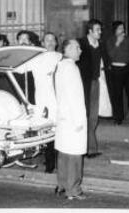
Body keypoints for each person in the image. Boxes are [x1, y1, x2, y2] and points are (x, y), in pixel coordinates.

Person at [54, 39, 88, 200]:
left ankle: (62, 185)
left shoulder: (60, 66)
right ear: (67, 49)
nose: (80, 50)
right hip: (73, 118)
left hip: (63, 117)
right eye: (77, 47)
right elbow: (74, 97)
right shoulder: (72, 68)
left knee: (64, 153)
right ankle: (74, 190)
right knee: (74, 155)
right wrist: (79, 121)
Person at [77, 19, 111, 158]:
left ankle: (90, 148)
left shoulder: (100, 45)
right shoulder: (81, 44)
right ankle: (85, 148)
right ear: (90, 31)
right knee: (84, 116)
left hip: (96, 83)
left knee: (93, 117)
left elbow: (107, 61)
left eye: (100, 29)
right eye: (97, 30)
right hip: (83, 84)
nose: (100, 32)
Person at [106, 21, 129, 126]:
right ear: (114, 30)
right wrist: (117, 42)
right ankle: (118, 118)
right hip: (116, 70)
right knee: (117, 94)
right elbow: (111, 54)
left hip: (127, 69)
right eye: (119, 28)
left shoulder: (128, 39)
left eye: (123, 28)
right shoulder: (110, 40)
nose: (122, 30)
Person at [40, 32, 62, 173]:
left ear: (56, 43)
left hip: (58, 100)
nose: (50, 42)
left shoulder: (61, 58)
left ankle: (58, 164)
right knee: (47, 134)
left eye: (52, 40)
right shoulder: (36, 58)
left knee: (58, 133)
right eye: (47, 40)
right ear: (42, 43)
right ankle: (49, 164)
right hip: (43, 101)